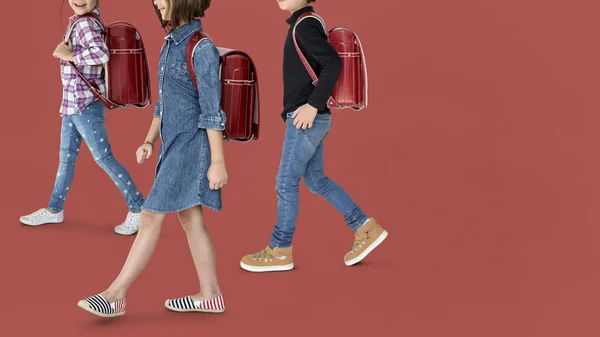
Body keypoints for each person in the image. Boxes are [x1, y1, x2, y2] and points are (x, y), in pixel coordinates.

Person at [77, 0, 228, 317]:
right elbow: (164, 104)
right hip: (172, 144)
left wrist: (218, 162)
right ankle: (210, 294)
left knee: (150, 216)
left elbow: (213, 114)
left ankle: (115, 294)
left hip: (191, 146)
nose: (157, 2)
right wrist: (149, 140)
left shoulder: (202, 48)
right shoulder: (171, 43)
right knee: (190, 219)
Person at [240, 0, 388, 272]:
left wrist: (312, 105)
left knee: (285, 182)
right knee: (315, 180)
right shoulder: (307, 22)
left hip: (306, 119)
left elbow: (332, 63)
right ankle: (365, 227)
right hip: (312, 119)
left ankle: (280, 249)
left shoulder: (305, 24)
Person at [19, 0, 144, 235]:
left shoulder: (86, 22)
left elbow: (101, 54)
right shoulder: (79, 21)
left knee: (103, 157)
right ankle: (55, 209)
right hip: (72, 104)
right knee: (66, 158)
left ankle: (139, 208)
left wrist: (70, 54)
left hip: (84, 104)